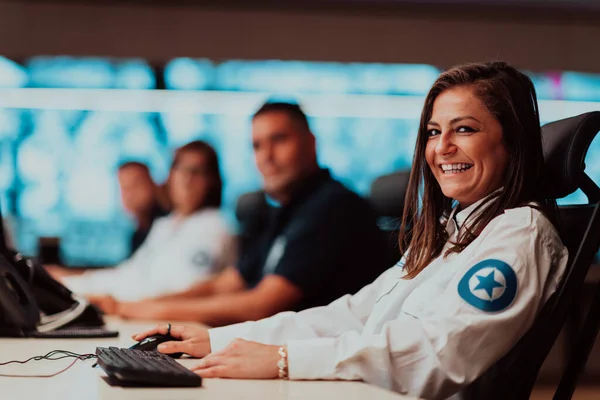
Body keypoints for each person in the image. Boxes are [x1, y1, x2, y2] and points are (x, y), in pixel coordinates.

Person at [133, 62, 569, 400]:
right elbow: (355, 314)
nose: (442, 147)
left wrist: (284, 361)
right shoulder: (452, 231)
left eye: (465, 129)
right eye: (434, 131)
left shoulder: (518, 235)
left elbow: (438, 352)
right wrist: (219, 339)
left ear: (511, 142)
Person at [107, 102, 389, 325]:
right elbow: (226, 284)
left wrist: (149, 310)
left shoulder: (332, 207)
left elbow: (262, 305)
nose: (266, 156)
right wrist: (147, 306)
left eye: (279, 140)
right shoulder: (284, 211)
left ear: (311, 143)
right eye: (257, 145)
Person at [59, 140, 234, 303]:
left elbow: (182, 290)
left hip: (163, 317)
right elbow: (129, 274)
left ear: (212, 181)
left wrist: (111, 302)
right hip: (139, 310)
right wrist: (68, 282)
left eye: (196, 172)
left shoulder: (214, 227)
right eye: (180, 168)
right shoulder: (166, 225)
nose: (186, 179)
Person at [117, 161, 169, 256]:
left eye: (135, 185)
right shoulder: (138, 235)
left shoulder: (169, 224)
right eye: (124, 188)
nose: (129, 194)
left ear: (153, 184)